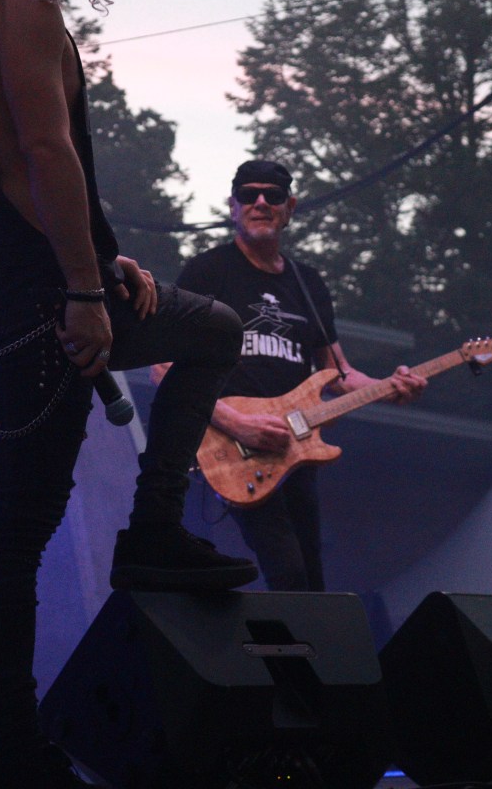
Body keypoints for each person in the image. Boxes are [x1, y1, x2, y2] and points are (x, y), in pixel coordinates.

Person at [0, 0, 257, 789]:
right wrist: (81, 289)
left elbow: (9, 173)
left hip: (18, 286)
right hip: (45, 297)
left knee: (207, 331)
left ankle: (17, 738)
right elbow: (43, 154)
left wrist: (100, 258)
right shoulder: (24, 5)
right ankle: (14, 745)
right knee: (19, 529)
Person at [153, 159, 426, 593]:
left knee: (311, 580)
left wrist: (389, 387)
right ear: (233, 207)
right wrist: (234, 422)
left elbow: (337, 373)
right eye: (249, 195)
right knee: (288, 571)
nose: (261, 202)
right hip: (234, 446)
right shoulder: (209, 270)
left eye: (273, 195)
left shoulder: (308, 283)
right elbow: (163, 364)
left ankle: (300, 640)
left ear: (290, 207)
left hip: (295, 447)